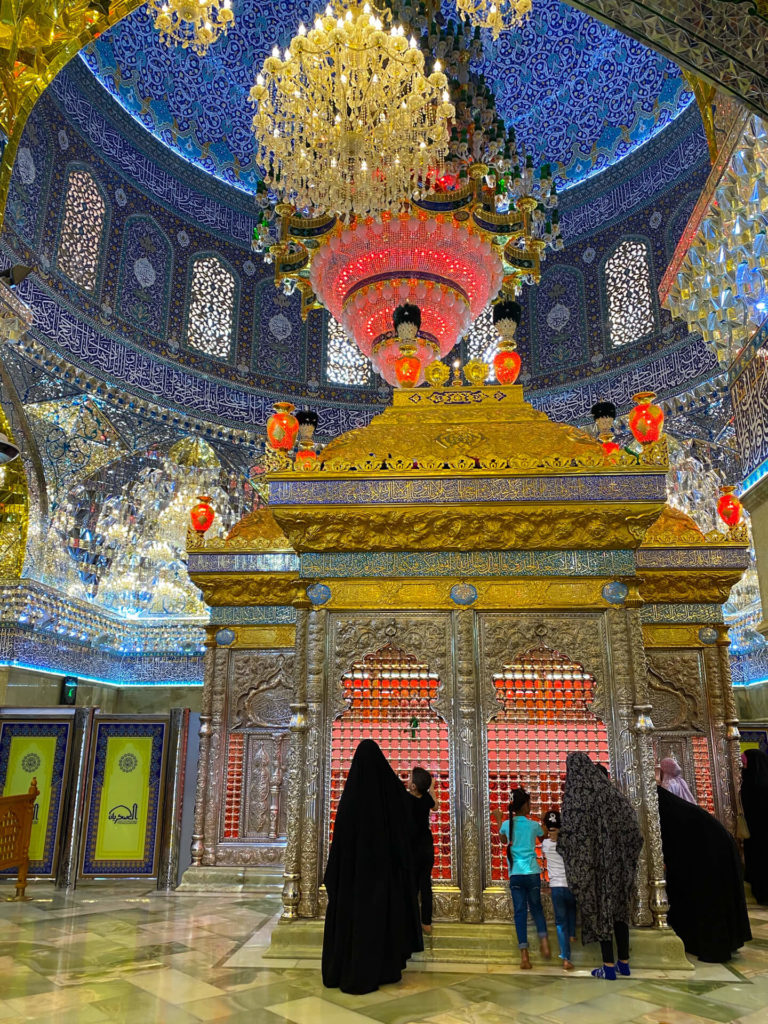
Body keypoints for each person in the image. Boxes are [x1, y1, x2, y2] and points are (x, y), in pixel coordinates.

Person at [322, 740, 423, 993]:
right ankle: (382, 970)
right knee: (379, 923)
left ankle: (343, 970)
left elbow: (339, 849)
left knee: (352, 923)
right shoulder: (391, 801)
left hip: (352, 883)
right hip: (381, 883)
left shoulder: (349, 804)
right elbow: (412, 825)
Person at [559, 752, 643, 980]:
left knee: (601, 911)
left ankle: (607, 967)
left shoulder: (578, 797)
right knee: (619, 912)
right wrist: (624, 857)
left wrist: (583, 857)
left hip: (595, 868)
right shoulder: (612, 794)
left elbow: (570, 835)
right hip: (618, 867)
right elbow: (634, 829)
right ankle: (623, 963)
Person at [657, 784, 751, 962]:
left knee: (708, 896)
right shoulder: (669, 806)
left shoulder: (661, 808)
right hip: (709, 846)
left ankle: (714, 945)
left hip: (708, 850)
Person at [493, 787, 551, 969]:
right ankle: (544, 942)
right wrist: (543, 820)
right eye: (529, 803)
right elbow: (545, 835)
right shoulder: (533, 825)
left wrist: (497, 819)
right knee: (536, 909)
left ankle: (524, 956)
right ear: (524, 806)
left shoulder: (506, 825)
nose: (530, 805)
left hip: (516, 875)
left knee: (520, 913)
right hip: (532, 873)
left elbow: (502, 840)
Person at [542, 809, 577, 971]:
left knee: (560, 923)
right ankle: (572, 934)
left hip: (556, 886)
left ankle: (566, 959)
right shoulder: (568, 843)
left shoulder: (545, 845)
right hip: (569, 885)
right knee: (572, 908)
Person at [407, 766, 437, 935]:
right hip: (426, 847)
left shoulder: (407, 799)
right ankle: (426, 922)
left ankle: (410, 920)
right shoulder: (426, 799)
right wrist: (431, 788)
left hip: (412, 848)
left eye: (409, 778)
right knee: (425, 884)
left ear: (413, 787)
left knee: (410, 885)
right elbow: (436, 806)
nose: (407, 780)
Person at [741, 748, 768, 905]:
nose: (743, 766)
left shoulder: (750, 784)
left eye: (744, 763)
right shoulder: (754, 781)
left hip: (756, 833)